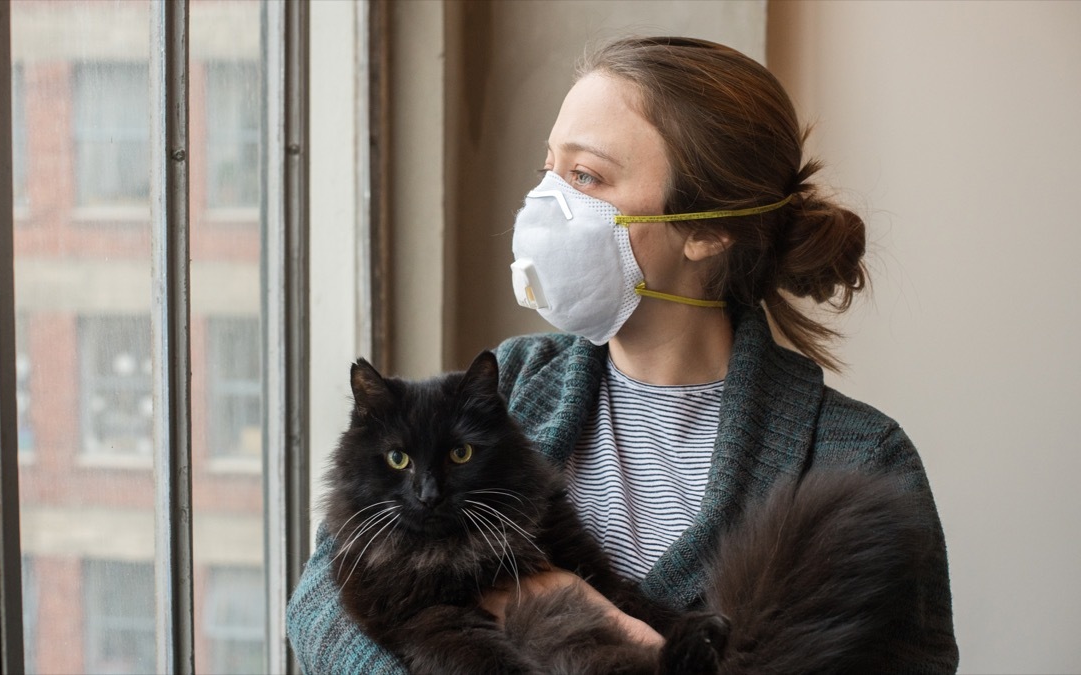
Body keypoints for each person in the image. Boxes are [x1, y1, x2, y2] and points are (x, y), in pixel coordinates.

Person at [287, 36, 958, 672]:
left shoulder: (859, 458)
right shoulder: (513, 381)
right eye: (547, 168)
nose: (544, 205)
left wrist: (620, 627)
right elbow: (321, 605)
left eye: (586, 175)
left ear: (709, 230)